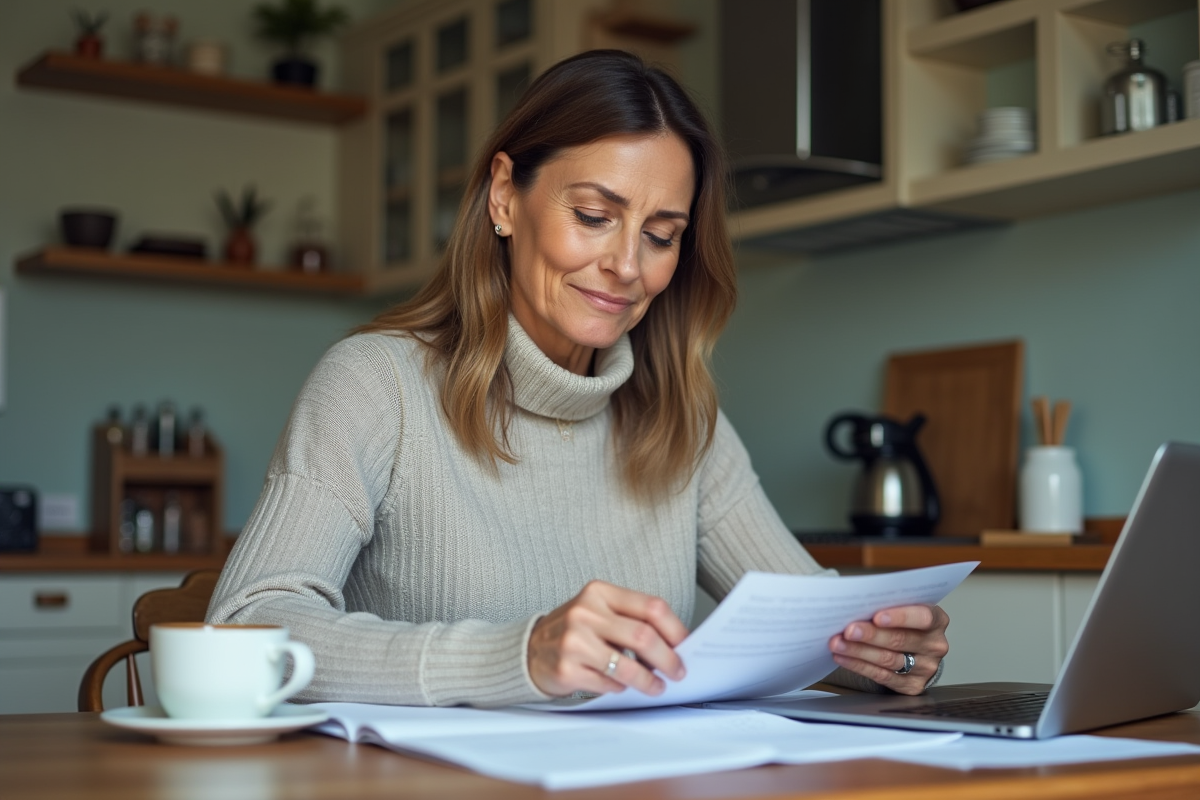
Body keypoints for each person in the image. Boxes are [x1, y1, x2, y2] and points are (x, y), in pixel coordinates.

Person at [207, 50, 949, 706]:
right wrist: (518, 656)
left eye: (662, 235)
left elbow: (806, 622)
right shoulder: (377, 385)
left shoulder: (679, 415)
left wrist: (881, 649)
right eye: (594, 215)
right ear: (505, 196)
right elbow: (245, 624)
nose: (628, 265)